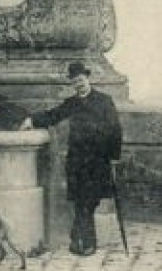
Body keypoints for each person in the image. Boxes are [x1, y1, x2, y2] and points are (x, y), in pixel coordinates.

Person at [21, 60, 122, 256]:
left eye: (81, 80)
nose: (79, 84)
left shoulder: (104, 101)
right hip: (77, 161)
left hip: (98, 161)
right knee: (80, 202)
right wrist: (31, 120)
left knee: (90, 202)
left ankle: (80, 240)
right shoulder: (72, 103)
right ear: (72, 84)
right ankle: (83, 242)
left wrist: (114, 157)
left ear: (88, 78)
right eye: (75, 82)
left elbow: (115, 130)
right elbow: (53, 115)